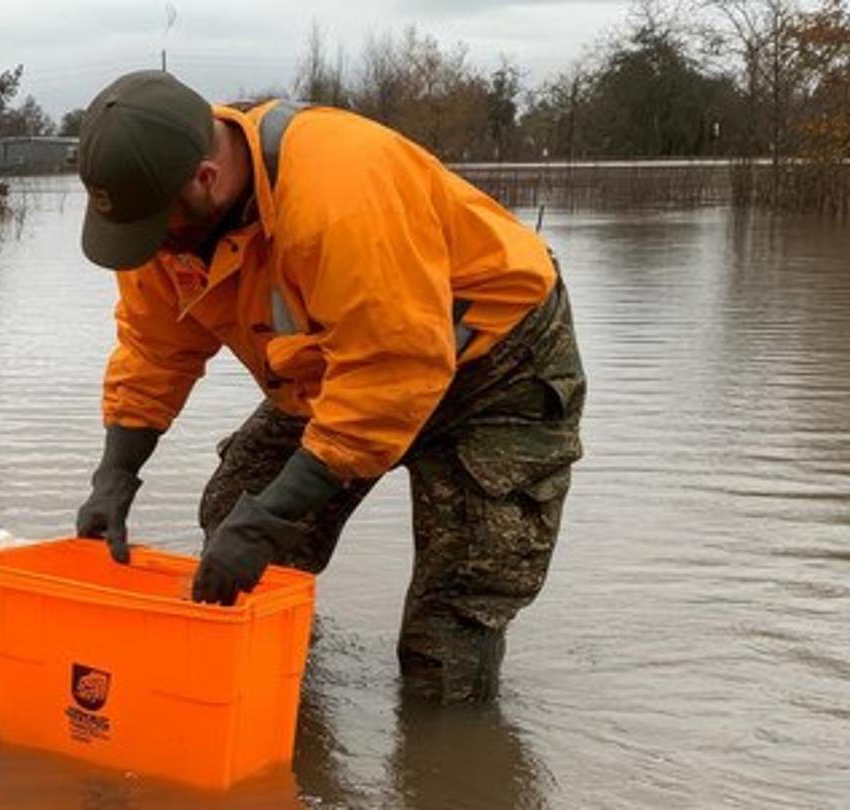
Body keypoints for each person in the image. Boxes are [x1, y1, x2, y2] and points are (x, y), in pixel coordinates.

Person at [71, 70, 585, 702]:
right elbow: (155, 346)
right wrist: (114, 475)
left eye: (158, 228)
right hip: (342, 367)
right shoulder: (163, 221)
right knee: (232, 517)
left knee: (449, 628)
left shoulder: (340, 194)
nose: (153, 247)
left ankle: (451, 759)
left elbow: (391, 376)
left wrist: (269, 521)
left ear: (205, 178)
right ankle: (276, 704)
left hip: (495, 368)